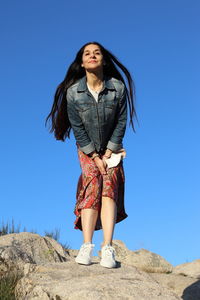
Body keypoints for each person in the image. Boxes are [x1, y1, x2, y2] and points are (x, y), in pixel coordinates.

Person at [45, 41, 136, 268]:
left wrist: (109, 151)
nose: (92, 56)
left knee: (109, 186)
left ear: (103, 60)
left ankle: (107, 248)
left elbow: (121, 122)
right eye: (87, 53)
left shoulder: (117, 88)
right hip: (87, 149)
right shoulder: (73, 93)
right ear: (82, 62)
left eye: (97, 53)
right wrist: (95, 157)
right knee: (93, 182)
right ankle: (86, 246)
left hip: (112, 148)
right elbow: (78, 129)